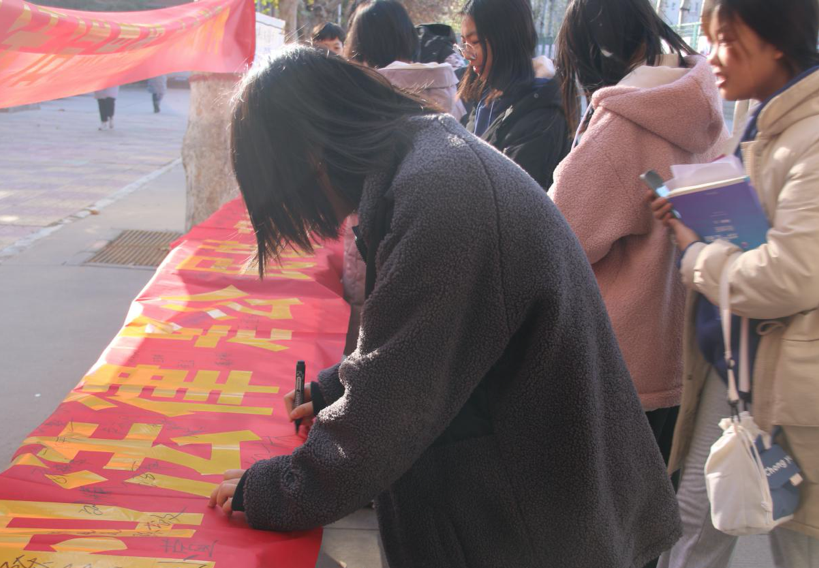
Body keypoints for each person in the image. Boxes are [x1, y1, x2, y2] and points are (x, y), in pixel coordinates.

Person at [208, 45, 682, 568]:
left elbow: (391, 410)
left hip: (540, 528)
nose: (311, 218)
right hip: (535, 501)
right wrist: (336, 389)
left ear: (310, 157)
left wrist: (281, 489)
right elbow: (417, 340)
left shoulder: (441, 196)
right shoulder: (426, 161)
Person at [648, 0, 819, 566]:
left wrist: (697, 254)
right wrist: (693, 216)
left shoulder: (809, 135)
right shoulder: (771, 122)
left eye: (726, 39)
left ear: (777, 37)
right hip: (741, 369)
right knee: (696, 522)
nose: (713, 57)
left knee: (797, 542)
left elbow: (791, 275)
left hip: (792, 388)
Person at [548, 0, 727, 488]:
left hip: (616, 366)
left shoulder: (623, 127)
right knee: (652, 509)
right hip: (682, 358)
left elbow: (557, 238)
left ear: (592, 51)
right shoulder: (700, 107)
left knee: (596, 512)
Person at [343, 0, 466, 316]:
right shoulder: (443, 89)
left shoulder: (367, 98)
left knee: (369, 326)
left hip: (374, 246)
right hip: (438, 242)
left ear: (360, 45)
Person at [457, 0, 570, 189]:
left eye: (475, 42)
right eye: (464, 44)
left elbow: (514, 195)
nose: (467, 55)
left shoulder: (542, 112)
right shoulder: (487, 94)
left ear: (507, 39)